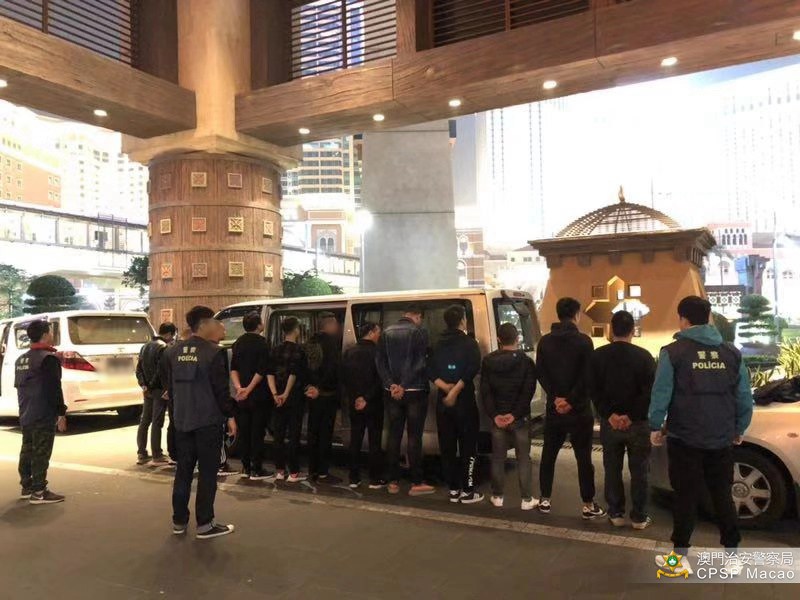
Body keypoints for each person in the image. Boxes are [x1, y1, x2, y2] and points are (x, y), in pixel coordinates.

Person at [650, 296, 753, 556]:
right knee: (722, 495)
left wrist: (655, 425)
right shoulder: (731, 353)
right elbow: (743, 395)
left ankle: (680, 556)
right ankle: (732, 553)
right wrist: (739, 427)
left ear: (683, 320)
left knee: (685, 496)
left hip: (684, 438)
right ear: (708, 318)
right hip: (721, 437)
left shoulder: (672, 352)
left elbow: (661, 393)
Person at [160, 306, 237, 540]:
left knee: (183, 472)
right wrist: (230, 416)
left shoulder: (172, 352)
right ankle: (205, 524)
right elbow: (221, 391)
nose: (217, 325)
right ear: (204, 324)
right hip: (208, 422)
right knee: (207, 473)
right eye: (214, 321)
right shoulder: (214, 353)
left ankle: (179, 521)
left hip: (182, 422)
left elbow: (169, 389)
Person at [536, 297, 606, 519]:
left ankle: (545, 499)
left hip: (554, 409)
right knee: (584, 458)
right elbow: (587, 376)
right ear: (576, 315)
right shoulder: (584, 342)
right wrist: (571, 400)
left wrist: (557, 398)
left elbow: (541, 373)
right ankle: (588, 504)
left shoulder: (545, 342)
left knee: (549, 455)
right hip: (580, 411)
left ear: (558, 314)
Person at [588, 311, 656, 530]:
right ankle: (639, 517)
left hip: (610, 424)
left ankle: (616, 513)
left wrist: (610, 415)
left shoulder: (598, 356)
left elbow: (594, 389)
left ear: (611, 329)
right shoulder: (644, 357)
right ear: (632, 331)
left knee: (612, 468)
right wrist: (631, 415)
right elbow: (649, 392)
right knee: (640, 471)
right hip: (638, 424)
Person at [376, 305, 434, 496]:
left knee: (394, 435)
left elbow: (380, 362)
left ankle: (393, 481)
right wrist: (404, 384)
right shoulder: (419, 332)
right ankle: (416, 482)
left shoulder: (386, 332)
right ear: (417, 316)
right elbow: (421, 362)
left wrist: (391, 384)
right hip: (415, 390)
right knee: (414, 436)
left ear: (404, 315)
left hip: (391, 392)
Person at [429, 305, 483, 504]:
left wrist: (445, 388)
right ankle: (468, 490)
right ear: (462, 320)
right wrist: (455, 391)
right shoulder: (470, 343)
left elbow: (429, 369)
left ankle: (453, 489)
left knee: (447, 446)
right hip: (464, 402)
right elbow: (472, 369)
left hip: (443, 403)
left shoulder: (436, 342)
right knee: (468, 446)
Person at [481, 323, 538, 510]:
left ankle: (497, 497)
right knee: (523, 458)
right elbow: (528, 391)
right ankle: (526, 499)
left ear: (499, 339)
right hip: (520, 419)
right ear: (517, 339)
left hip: (498, 419)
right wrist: (515, 414)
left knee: (498, 457)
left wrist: (495, 415)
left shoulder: (488, 361)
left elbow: (485, 392)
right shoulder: (526, 362)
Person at [15, 320, 67, 504]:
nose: (52, 335)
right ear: (45, 335)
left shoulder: (21, 360)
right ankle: (39, 491)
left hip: (26, 412)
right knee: (41, 452)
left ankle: (27, 486)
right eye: (50, 332)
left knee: (27, 449)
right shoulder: (48, 359)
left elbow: (20, 388)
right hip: (43, 413)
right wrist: (61, 413)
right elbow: (54, 389)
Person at [341, 321, 385, 489]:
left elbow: (344, 378)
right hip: (374, 403)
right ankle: (374, 478)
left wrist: (356, 397)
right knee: (374, 441)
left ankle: (353, 477)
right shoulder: (378, 352)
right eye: (378, 331)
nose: (379, 335)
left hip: (354, 402)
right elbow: (380, 379)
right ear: (371, 332)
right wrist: (366, 398)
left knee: (355, 439)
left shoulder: (349, 352)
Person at [230, 311, 272, 480]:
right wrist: (249, 389)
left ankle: (245, 467)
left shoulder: (238, 342)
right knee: (257, 432)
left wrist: (239, 388)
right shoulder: (263, 343)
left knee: (244, 431)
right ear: (259, 325)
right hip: (258, 395)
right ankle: (257, 468)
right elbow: (262, 370)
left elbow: (234, 368)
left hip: (242, 396)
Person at [268, 317, 308, 483]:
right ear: (296, 330)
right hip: (294, 398)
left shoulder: (275, 349)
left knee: (278, 434)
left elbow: (269, 373)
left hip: (276, 398)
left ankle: (279, 470)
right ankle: (294, 472)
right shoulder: (299, 350)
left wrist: (275, 394)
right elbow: (294, 373)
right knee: (293, 435)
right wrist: (286, 394)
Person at [304, 312, 343, 483]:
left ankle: (312, 470)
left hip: (311, 394)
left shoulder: (309, 342)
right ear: (329, 325)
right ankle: (323, 472)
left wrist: (310, 387)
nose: (337, 327)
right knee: (325, 434)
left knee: (312, 433)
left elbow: (304, 368)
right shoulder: (331, 343)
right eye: (335, 324)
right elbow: (333, 369)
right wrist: (321, 387)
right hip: (326, 394)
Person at [135, 321, 177, 465]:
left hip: (147, 390)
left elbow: (138, 369)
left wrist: (144, 385)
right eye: (173, 335)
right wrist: (154, 386)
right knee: (157, 421)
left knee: (145, 420)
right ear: (170, 334)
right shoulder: (163, 347)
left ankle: (141, 453)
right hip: (158, 389)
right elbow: (161, 370)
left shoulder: (145, 346)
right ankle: (157, 455)